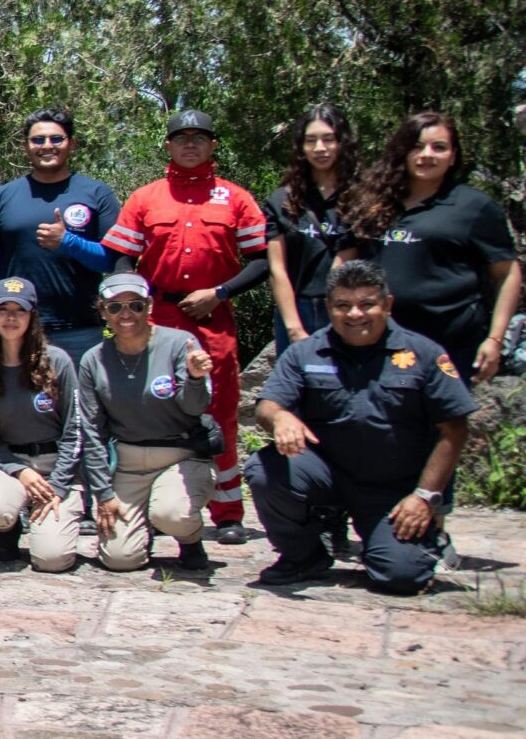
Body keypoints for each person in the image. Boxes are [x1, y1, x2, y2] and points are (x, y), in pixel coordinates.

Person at [249, 259, 472, 594]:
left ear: (387, 304)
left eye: (367, 304)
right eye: (343, 305)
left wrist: (426, 496)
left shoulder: (422, 353)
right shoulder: (306, 353)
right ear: (329, 307)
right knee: (263, 470)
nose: (355, 314)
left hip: (392, 489)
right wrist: (280, 417)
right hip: (327, 475)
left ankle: (395, 542)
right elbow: (267, 405)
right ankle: (304, 555)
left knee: (401, 577)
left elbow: (455, 428)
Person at [100, 109, 267, 539]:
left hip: (213, 317)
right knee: (154, 407)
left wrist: (222, 292)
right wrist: (132, 305)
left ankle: (228, 513)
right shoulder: (146, 198)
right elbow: (122, 256)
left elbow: (263, 260)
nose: (190, 144)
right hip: (157, 316)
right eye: (181, 137)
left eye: (199, 137)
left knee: (221, 410)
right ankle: (157, 503)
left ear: (212, 145)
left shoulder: (234, 198)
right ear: (168, 146)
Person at [341, 110, 520, 386]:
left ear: (453, 156)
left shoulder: (475, 206)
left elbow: (507, 274)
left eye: (439, 147)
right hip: (377, 343)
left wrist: (495, 339)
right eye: (418, 146)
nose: (427, 154)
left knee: (445, 428)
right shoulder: (374, 203)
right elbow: (343, 262)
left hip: (451, 346)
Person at [75, 273, 219, 573]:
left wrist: (194, 378)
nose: (125, 314)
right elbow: (92, 430)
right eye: (115, 307)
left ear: (149, 307)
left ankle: (190, 539)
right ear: (102, 312)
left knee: (172, 514)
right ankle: (141, 529)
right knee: (119, 559)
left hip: (180, 455)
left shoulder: (181, 343)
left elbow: (196, 407)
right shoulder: (93, 359)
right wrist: (103, 493)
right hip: (128, 462)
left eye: (135, 305)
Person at [0, 276, 95, 572]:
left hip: (57, 466)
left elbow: (76, 428)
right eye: (3, 310)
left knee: (51, 560)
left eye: (20, 310)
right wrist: (21, 471)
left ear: (32, 316)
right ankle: (9, 524)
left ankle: (50, 515)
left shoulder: (58, 361)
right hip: (11, 465)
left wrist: (60, 484)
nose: (11, 318)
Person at [0, 109, 120, 361]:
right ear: (26, 146)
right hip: (20, 327)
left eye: (56, 139)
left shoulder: (97, 193)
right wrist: (17, 290)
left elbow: (110, 259)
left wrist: (69, 242)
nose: (47, 146)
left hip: (82, 329)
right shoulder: (4, 196)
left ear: (72, 144)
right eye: (38, 140)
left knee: (80, 401)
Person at [266, 105, 357, 350]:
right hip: (295, 310)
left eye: (328, 139)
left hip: (346, 311)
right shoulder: (282, 200)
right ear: (301, 147)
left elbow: (344, 262)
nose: (320, 148)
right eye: (311, 140)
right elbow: (277, 268)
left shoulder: (361, 198)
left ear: (342, 143)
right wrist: (294, 328)